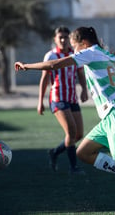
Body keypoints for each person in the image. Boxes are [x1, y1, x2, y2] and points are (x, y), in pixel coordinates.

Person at [14, 26, 115, 213]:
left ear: (83, 43)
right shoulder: (107, 55)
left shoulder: (89, 53)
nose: (74, 51)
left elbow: (54, 65)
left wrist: (26, 66)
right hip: (110, 117)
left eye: (74, 46)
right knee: (83, 152)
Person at [38, 26, 88, 174]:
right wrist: (40, 101)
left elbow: (80, 73)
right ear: (55, 39)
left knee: (79, 134)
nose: (63, 40)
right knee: (71, 132)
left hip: (72, 98)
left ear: (70, 39)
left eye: (66, 37)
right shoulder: (51, 56)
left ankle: (55, 152)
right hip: (58, 99)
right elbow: (44, 80)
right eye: (60, 37)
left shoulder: (74, 54)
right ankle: (74, 167)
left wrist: (84, 89)